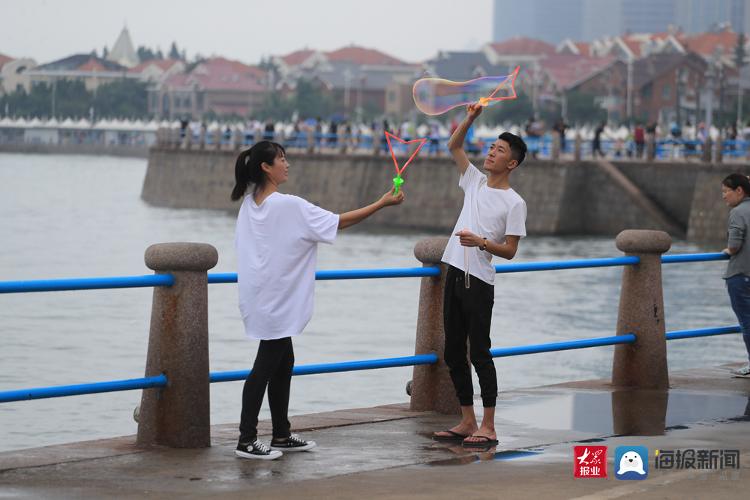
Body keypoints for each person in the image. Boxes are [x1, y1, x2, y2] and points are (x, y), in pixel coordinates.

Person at [230, 141, 405, 459]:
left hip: (262, 295)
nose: (288, 164)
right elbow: (339, 222)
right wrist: (381, 203)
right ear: (266, 168)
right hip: (276, 300)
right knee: (264, 368)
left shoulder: (250, 203)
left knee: (284, 364)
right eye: (282, 159)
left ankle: (281, 433)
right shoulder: (286, 205)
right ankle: (246, 439)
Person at [432, 103, 527, 447]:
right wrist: (470, 117)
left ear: (511, 163)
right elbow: (454, 146)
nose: (491, 153)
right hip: (455, 272)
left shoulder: (514, 203)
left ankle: (489, 425)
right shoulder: (473, 182)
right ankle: (466, 420)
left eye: (499, 150)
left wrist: (482, 242)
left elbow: (511, 250)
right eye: (491, 147)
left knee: (480, 353)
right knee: (454, 352)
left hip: (480, 283)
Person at [721, 173, 750, 378]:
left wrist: (728, 251)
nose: (724, 197)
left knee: (747, 321)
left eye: (726, 192)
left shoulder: (738, 212)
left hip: (741, 274)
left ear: (739, 190)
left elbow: (734, 244)